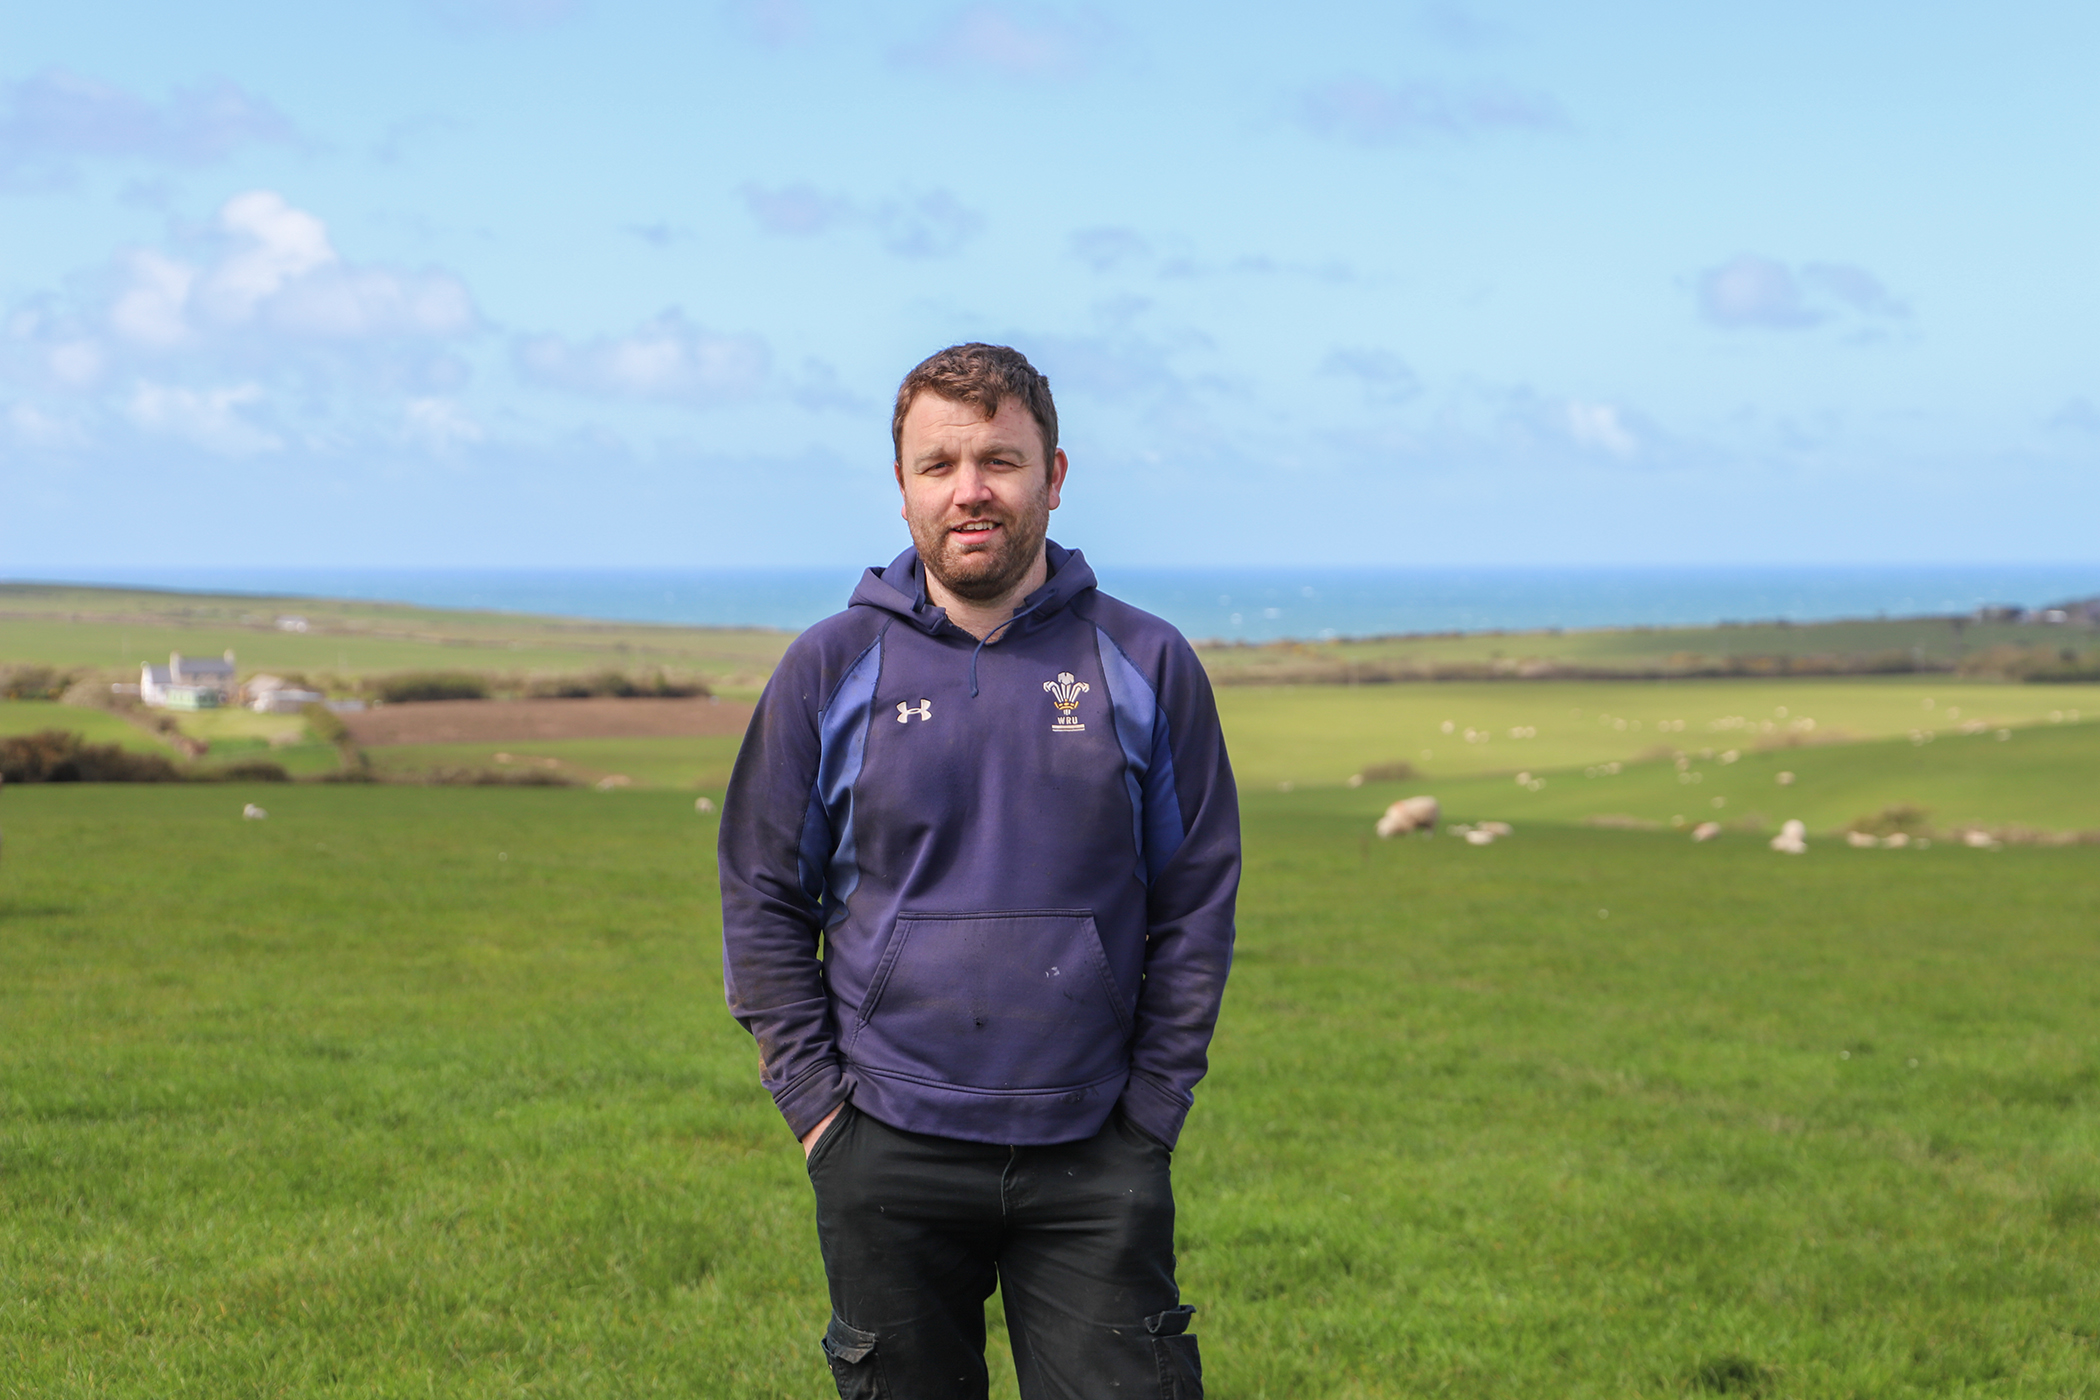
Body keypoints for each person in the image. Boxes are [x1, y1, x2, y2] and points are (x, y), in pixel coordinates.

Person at [719, 343, 1240, 1398]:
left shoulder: (1147, 663)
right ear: (902, 484)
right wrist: (819, 1113)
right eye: (939, 463)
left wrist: (1151, 1112)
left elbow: (1195, 903)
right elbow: (763, 895)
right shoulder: (827, 667)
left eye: (1000, 460)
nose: (971, 490)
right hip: (884, 1142)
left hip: (1094, 1147)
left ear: (1054, 476)